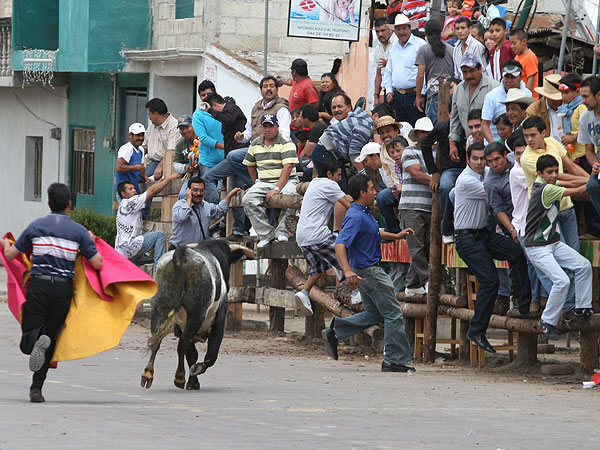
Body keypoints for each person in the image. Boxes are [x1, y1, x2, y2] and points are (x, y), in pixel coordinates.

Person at [0, 183, 103, 403]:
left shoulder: (36, 226)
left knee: (30, 331)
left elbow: (10, 255)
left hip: (39, 285)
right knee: (51, 336)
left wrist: (3, 243)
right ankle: (36, 388)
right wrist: (91, 242)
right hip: (63, 289)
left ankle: (34, 339)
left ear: (48, 204)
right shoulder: (78, 231)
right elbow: (97, 263)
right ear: (70, 205)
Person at [321, 174, 416, 372]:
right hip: (369, 271)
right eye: (372, 189)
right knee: (393, 314)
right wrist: (346, 271)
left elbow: (374, 233)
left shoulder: (362, 213)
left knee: (374, 314)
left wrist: (396, 236)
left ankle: (336, 330)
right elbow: (340, 244)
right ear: (362, 192)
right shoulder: (356, 216)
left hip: (364, 270)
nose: (375, 192)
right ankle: (393, 359)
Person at [454, 142, 531, 352]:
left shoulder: (486, 171)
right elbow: (497, 191)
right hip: (467, 238)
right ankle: (476, 330)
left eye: (483, 159)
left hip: (483, 234)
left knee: (516, 254)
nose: (481, 163)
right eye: (476, 159)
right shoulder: (467, 180)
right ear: (468, 159)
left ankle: (525, 305)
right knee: (490, 281)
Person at [205, 76, 292, 238]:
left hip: (272, 154)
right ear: (261, 90)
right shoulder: (256, 108)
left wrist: (273, 148)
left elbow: (285, 133)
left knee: (233, 159)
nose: (268, 88)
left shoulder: (281, 109)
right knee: (232, 166)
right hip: (254, 153)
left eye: (272, 86)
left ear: (276, 89)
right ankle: (238, 223)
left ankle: (257, 187)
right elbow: (249, 133)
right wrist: (241, 137)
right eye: (265, 86)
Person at [523, 155, 594, 339]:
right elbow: (577, 190)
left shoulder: (547, 181)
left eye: (556, 171)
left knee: (583, 265)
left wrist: (592, 177)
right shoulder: (545, 189)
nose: (554, 175)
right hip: (537, 247)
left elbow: (568, 179)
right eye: (550, 172)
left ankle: (582, 308)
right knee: (562, 281)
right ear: (539, 173)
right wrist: (593, 182)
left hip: (552, 243)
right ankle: (547, 321)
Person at [294, 160, 352, 315]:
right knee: (349, 258)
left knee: (320, 266)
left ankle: (304, 292)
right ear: (329, 174)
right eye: (338, 175)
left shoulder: (314, 183)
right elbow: (348, 203)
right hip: (316, 236)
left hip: (302, 237)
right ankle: (356, 292)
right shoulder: (330, 185)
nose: (340, 178)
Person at [242, 114, 299, 247]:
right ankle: (266, 234)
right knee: (248, 199)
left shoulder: (286, 141)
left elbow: (288, 167)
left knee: (289, 196)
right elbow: (250, 164)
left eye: (271, 126)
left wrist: (277, 188)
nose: (268, 129)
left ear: (277, 127)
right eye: (265, 126)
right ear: (261, 128)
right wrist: (256, 181)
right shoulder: (255, 143)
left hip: (287, 180)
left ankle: (283, 231)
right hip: (264, 181)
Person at [449, 52, 499, 181]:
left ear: (480, 69)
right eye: (465, 72)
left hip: (490, 143)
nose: (468, 76)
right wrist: (452, 143)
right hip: (469, 144)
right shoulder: (459, 89)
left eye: (472, 71)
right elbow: (454, 118)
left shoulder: (493, 87)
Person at [115, 172, 181, 267]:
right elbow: (152, 191)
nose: (134, 190)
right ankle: (160, 268)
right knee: (160, 235)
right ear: (123, 194)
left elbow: (151, 189)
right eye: (130, 189)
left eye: (134, 188)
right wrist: (170, 178)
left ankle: (139, 258)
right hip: (130, 247)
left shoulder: (124, 205)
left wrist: (160, 181)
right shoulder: (130, 202)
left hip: (122, 252)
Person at [312, 93, 375, 193]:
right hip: (324, 153)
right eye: (334, 107)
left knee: (341, 191)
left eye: (340, 106)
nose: (336, 110)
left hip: (330, 154)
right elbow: (354, 153)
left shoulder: (358, 121)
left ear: (349, 107)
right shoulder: (364, 126)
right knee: (339, 192)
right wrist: (365, 178)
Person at [400, 117, 434, 295]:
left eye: (428, 132)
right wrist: (437, 180)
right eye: (423, 132)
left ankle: (412, 285)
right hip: (412, 205)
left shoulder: (437, 153)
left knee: (426, 245)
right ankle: (428, 279)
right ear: (417, 134)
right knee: (416, 246)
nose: (426, 135)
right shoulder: (409, 151)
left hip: (429, 205)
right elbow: (416, 173)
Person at [424, 103, 467, 243]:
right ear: (450, 115)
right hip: (451, 170)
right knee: (445, 187)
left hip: (471, 169)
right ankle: (447, 229)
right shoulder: (442, 128)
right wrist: (434, 172)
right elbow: (425, 145)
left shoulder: (471, 127)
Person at [170, 176, 241, 248]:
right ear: (188, 190)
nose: (198, 193)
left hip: (198, 250)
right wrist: (189, 200)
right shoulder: (180, 205)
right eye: (195, 190)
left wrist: (229, 195)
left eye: (201, 190)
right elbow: (182, 217)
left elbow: (220, 210)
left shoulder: (206, 206)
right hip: (179, 250)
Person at [383, 14, 426, 126]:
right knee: (400, 130)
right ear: (394, 31)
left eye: (404, 28)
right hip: (397, 97)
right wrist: (389, 91)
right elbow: (388, 71)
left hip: (414, 96)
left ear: (409, 29)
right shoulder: (394, 48)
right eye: (398, 29)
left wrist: (421, 94)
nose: (401, 32)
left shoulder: (420, 45)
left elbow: (425, 72)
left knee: (416, 128)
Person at [481, 60, 532, 143]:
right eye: (507, 77)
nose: (510, 81)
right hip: (495, 143)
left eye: (513, 77)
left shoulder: (527, 94)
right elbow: (485, 124)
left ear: (520, 76)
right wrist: (494, 146)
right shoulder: (491, 96)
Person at [415, 20, 454, 126]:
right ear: (441, 32)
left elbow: (420, 76)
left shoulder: (423, 50)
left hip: (433, 92)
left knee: (433, 127)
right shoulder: (451, 49)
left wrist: (418, 96)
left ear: (426, 34)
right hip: (450, 91)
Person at [372, 115, 403, 233]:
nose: (385, 135)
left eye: (388, 131)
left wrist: (402, 186)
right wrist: (394, 187)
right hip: (395, 186)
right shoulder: (382, 151)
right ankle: (394, 230)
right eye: (382, 133)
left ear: (396, 131)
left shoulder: (406, 143)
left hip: (411, 184)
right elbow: (388, 174)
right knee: (382, 197)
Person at [578, 75, 600, 232]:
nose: (583, 101)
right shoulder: (585, 117)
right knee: (592, 185)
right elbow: (589, 151)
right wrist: (595, 165)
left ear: (598, 95)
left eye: (586, 96)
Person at [143, 98, 181, 180]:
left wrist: (160, 166)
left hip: (168, 164)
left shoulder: (174, 126)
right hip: (152, 163)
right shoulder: (152, 126)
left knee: (145, 179)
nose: (149, 117)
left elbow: (171, 151)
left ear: (156, 114)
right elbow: (144, 146)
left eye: (149, 114)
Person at [191, 98, 225, 174]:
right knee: (209, 183)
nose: (206, 97)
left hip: (226, 159)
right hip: (208, 162)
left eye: (209, 94)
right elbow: (203, 138)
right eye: (203, 95)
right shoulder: (198, 114)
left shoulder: (223, 110)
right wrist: (225, 147)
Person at [115, 122, 147, 199]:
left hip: (134, 191)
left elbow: (140, 170)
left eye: (142, 135)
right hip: (124, 192)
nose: (141, 138)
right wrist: (136, 167)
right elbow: (119, 167)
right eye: (138, 135)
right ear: (130, 135)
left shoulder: (141, 150)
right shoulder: (127, 148)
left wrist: (146, 178)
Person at [526, 74, 563, 141]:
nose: (556, 101)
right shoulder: (533, 110)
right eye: (552, 99)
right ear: (546, 96)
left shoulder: (570, 106)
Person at [172, 115, 201, 199]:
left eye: (187, 127)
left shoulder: (203, 138)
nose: (185, 131)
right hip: (192, 176)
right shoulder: (180, 145)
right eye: (181, 129)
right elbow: (175, 164)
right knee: (182, 195)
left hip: (206, 173)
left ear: (194, 125)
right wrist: (185, 167)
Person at [373, 17, 398, 105]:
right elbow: (378, 74)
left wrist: (389, 63)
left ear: (391, 30)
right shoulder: (377, 48)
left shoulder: (397, 43)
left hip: (398, 90)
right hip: (386, 91)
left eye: (383, 31)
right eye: (377, 31)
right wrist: (376, 97)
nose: (380, 34)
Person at [509, 28, 539, 99]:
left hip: (529, 98)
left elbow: (531, 79)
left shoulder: (529, 57)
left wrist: (526, 97)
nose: (512, 46)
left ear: (524, 41)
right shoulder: (516, 57)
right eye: (511, 44)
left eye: (514, 43)